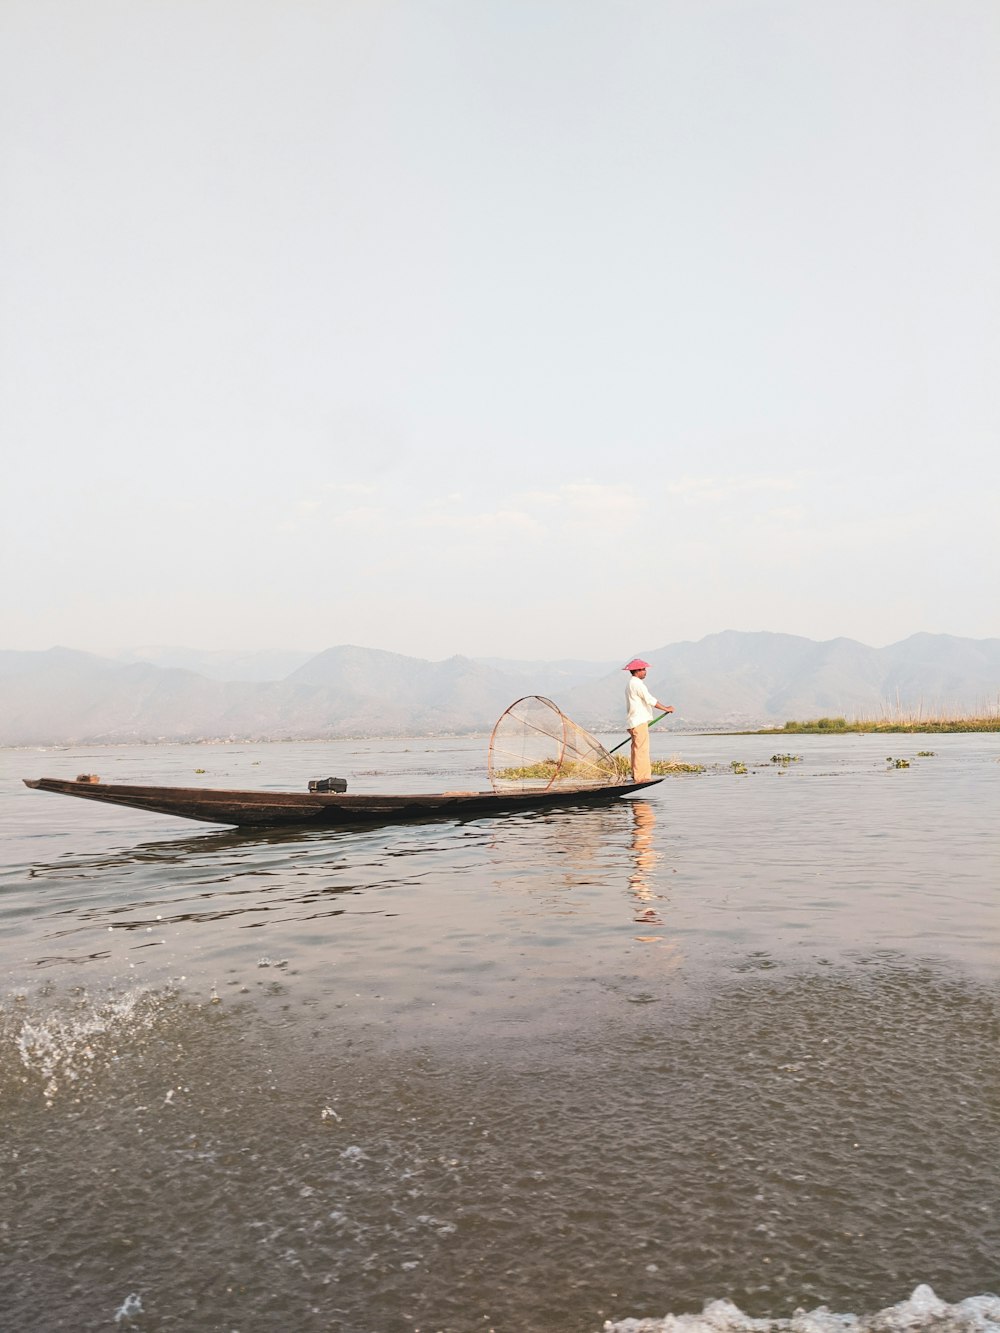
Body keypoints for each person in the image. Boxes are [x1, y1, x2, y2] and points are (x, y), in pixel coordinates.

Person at [623, 658, 674, 782]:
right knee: (641, 749)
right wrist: (666, 708)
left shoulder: (631, 683)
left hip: (634, 721)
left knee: (637, 749)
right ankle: (642, 777)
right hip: (638, 721)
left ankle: (637, 774)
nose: (645, 672)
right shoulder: (636, 684)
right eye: (643, 669)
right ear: (637, 671)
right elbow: (650, 700)